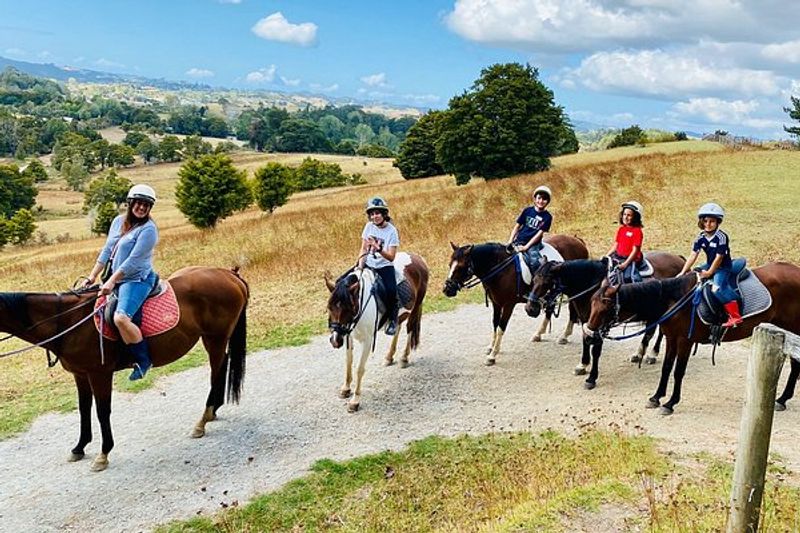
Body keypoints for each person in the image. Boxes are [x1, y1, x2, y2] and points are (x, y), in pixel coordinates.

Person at [82, 184, 160, 379]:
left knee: (121, 318)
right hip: (114, 278)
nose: (142, 208)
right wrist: (92, 276)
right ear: (130, 203)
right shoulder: (118, 222)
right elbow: (107, 250)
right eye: (139, 203)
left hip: (136, 279)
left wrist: (111, 282)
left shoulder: (149, 230)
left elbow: (133, 261)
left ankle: (143, 360)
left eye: (146, 205)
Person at [677, 202, 742, 327]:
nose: (708, 224)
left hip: (722, 267)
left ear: (718, 222)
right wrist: (683, 272)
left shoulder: (721, 237)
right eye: (705, 221)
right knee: (693, 275)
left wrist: (709, 272)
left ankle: (735, 316)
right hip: (709, 263)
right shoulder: (701, 237)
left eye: (712, 221)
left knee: (717, 289)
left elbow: (719, 257)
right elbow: (693, 255)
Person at [358, 196, 400, 336]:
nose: (374, 216)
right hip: (369, 264)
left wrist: (379, 248)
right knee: (346, 281)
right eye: (372, 214)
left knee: (391, 291)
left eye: (377, 213)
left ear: (384, 214)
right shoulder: (368, 227)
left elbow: (391, 256)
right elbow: (363, 248)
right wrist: (360, 266)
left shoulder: (392, 231)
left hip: (384, 266)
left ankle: (393, 320)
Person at [508, 185, 553, 270]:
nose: (541, 201)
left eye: (544, 199)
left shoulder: (547, 217)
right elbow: (517, 226)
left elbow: (539, 235)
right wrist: (510, 241)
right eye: (539, 198)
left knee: (535, 262)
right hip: (519, 240)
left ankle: (538, 277)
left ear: (548, 201)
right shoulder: (527, 211)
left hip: (533, 244)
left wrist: (526, 247)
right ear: (535, 199)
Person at [606, 201, 644, 283]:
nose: (625, 217)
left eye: (629, 215)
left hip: (630, 259)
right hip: (618, 257)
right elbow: (616, 245)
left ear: (635, 217)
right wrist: (606, 256)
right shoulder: (621, 229)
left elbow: (635, 250)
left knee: (628, 277)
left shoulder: (637, 231)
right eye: (624, 214)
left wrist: (625, 264)